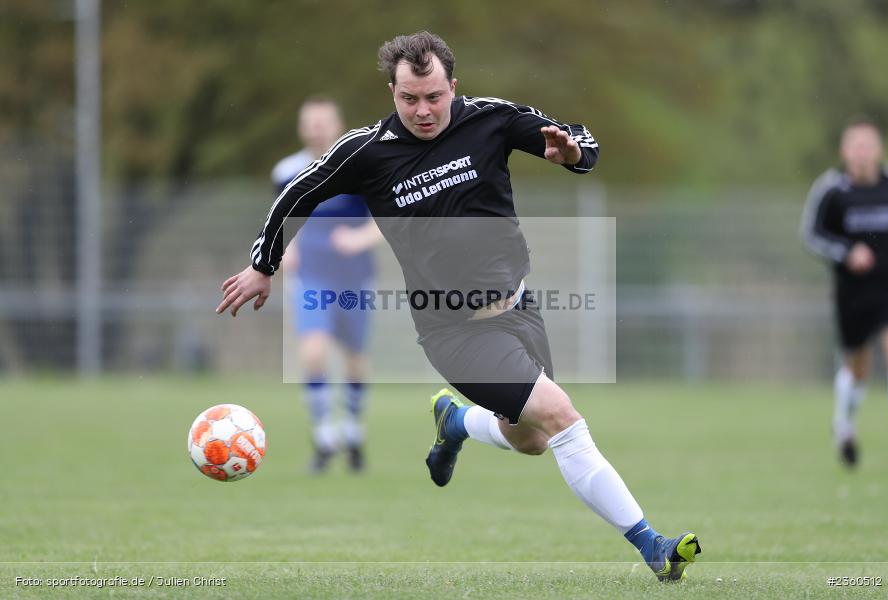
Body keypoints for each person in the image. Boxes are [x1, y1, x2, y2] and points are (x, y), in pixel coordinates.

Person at [217, 31, 700, 582]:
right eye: (408, 98)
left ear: (453, 87)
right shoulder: (365, 151)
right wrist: (263, 265)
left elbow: (580, 135)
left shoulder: (491, 119)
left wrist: (574, 155)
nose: (422, 110)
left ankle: (458, 422)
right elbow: (295, 195)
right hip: (455, 333)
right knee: (562, 417)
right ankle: (653, 546)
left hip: (520, 308)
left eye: (433, 96)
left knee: (532, 440)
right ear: (392, 93)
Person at [272, 97, 382, 473]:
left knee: (354, 356)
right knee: (314, 352)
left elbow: (385, 219)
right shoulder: (286, 171)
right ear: (302, 127)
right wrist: (284, 250)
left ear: (338, 124)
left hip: (354, 275)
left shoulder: (359, 165)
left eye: (324, 121)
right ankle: (323, 436)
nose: (317, 128)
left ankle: (352, 431)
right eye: (311, 122)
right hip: (312, 276)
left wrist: (359, 240)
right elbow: (282, 218)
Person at [800, 116, 888, 467]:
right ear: (844, 151)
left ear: (878, 150)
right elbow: (811, 236)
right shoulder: (831, 190)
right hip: (852, 295)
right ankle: (843, 424)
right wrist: (847, 252)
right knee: (857, 369)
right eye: (854, 146)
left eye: (867, 145)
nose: (861, 153)